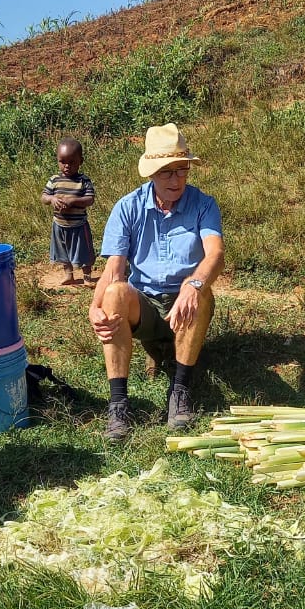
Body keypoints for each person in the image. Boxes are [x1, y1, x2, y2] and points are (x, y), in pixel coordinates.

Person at [89, 123, 223, 440]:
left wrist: (193, 285)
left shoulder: (204, 205)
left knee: (201, 289)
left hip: (186, 303)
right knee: (115, 293)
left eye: (182, 170)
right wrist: (95, 307)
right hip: (144, 304)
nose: (176, 180)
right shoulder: (128, 207)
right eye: (167, 173)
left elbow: (214, 255)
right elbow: (114, 268)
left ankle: (180, 391)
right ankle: (119, 405)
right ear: (151, 174)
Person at [40, 136, 97, 286]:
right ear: (57, 160)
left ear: (80, 161)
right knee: (62, 251)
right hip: (59, 225)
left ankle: (87, 277)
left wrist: (73, 201)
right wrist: (52, 199)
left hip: (78, 225)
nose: (67, 166)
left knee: (84, 251)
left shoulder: (83, 181)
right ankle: (69, 275)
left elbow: (90, 199)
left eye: (72, 162)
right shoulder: (54, 180)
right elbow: (44, 197)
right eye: (62, 161)